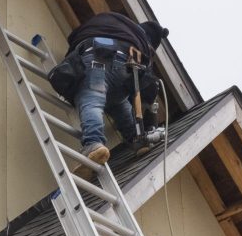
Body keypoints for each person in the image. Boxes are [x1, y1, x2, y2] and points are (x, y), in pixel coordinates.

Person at [65, 12, 168, 165]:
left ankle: (93, 143)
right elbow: (147, 88)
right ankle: (136, 139)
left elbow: (73, 36)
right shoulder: (142, 46)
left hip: (98, 58)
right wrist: (149, 123)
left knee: (91, 97)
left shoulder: (116, 22)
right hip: (125, 72)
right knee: (120, 104)